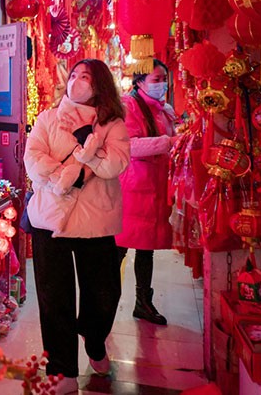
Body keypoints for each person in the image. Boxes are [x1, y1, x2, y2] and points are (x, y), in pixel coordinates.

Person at [24, 59, 130, 394]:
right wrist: (68, 177)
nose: (76, 81)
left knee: (104, 293)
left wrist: (89, 141)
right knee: (54, 298)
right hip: (50, 218)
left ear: (100, 84)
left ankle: (94, 339)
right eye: (73, 75)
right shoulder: (47, 118)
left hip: (96, 220)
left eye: (85, 76)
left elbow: (114, 165)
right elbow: (33, 159)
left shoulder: (111, 123)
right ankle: (62, 371)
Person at [115, 59, 177, 326]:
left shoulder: (164, 109)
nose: (162, 84)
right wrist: (168, 143)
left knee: (146, 249)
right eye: (156, 79)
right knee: (119, 248)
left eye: (164, 78)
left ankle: (143, 302)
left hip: (155, 186)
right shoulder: (128, 107)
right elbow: (128, 145)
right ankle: (103, 302)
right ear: (139, 82)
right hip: (133, 188)